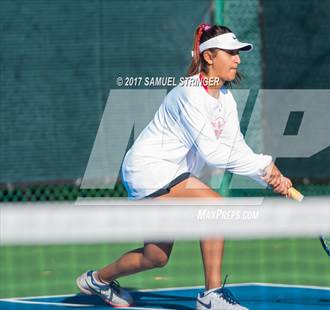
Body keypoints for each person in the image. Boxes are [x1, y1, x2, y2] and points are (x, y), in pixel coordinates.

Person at [76, 24, 292, 309]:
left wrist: (269, 176)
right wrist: (266, 164)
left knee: (156, 257)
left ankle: (97, 280)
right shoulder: (189, 94)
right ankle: (211, 296)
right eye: (231, 52)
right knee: (216, 208)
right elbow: (213, 153)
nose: (238, 59)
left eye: (239, 53)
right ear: (210, 56)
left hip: (171, 172)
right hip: (150, 168)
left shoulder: (225, 100)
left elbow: (236, 149)